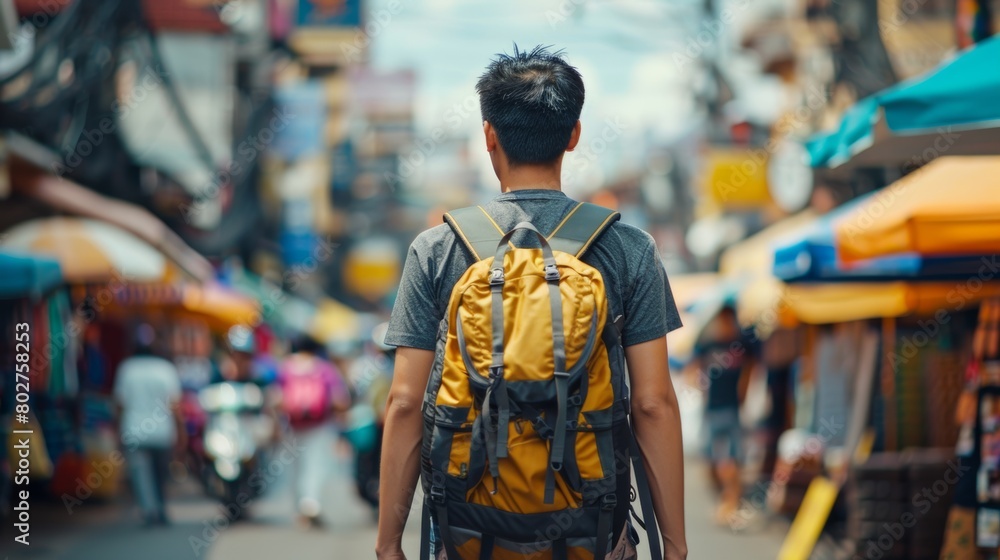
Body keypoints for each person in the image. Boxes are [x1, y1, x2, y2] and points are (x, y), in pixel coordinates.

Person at [376, 46, 687, 560]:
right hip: (590, 529)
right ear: (574, 135)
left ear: (488, 135)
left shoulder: (437, 249)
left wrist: (389, 545)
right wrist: (673, 547)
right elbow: (653, 405)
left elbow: (405, 403)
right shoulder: (630, 248)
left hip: (468, 531)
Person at [276, 335, 351, 528]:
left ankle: (301, 507)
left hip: (293, 425)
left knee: (296, 467)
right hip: (321, 425)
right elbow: (340, 398)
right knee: (316, 465)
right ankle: (311, 503)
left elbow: (276, 398)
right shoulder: (324, 368)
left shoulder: (285, 367)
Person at [113, 323, 184, 526]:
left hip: (134, 431)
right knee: (161, 475)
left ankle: (149, 510)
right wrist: (181, 433)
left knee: (141, 475)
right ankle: (160, 509)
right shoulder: (166, 369)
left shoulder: (126, 368)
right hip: (162, 432)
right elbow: (175, 405)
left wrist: (118, 430)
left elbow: (119, 404)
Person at [692, 306, 755, 525]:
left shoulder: (741, 344)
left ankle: (731, 501)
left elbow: (750, 368)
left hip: (731, 408)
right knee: (710, 457)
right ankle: (724, 499)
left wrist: (744, 392)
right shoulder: (709, 343)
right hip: (712, 408)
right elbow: (695, 365)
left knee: (732, 458)